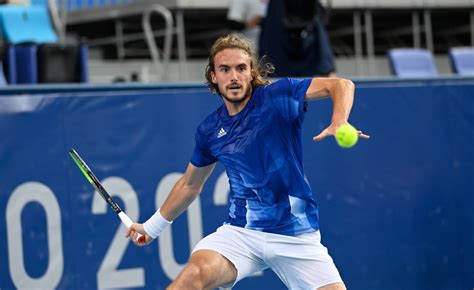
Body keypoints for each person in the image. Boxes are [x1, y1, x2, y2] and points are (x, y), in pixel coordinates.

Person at [126, 34, 369, 290]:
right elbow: (189, 184)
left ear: (251, 72)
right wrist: (151, 228)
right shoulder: (210, 130)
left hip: (296, 233)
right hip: (241, 233)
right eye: (225, 69)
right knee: (192, 276)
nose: (234, 77)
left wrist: (340, 120)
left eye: (241, 68)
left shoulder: (279, 96)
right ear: (213, 76)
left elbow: (341, 84)